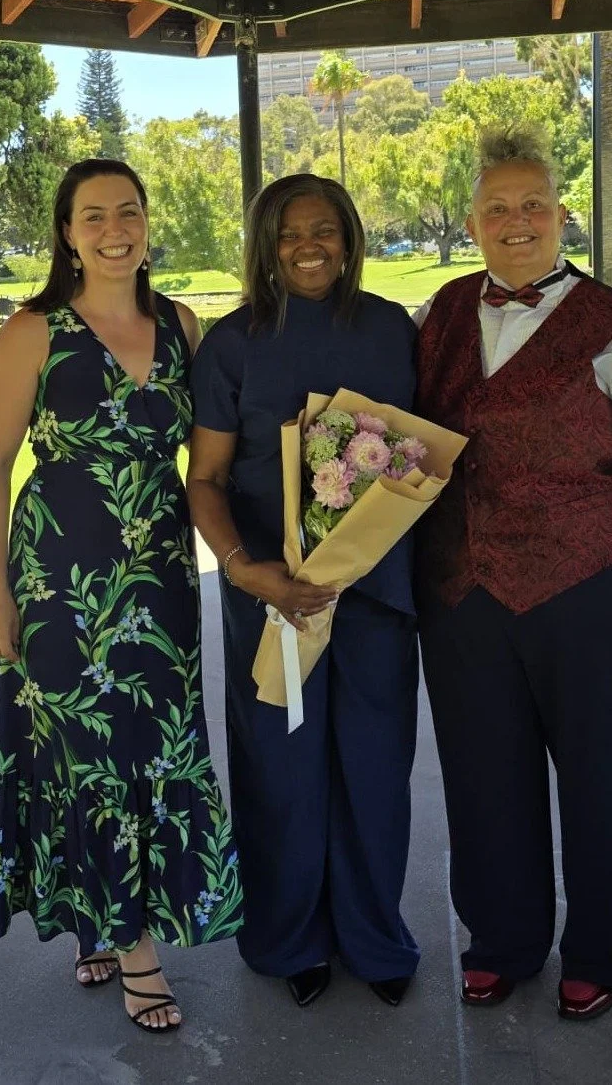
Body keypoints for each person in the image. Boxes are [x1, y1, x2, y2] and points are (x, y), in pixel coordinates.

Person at [413, 125, 612, 1021]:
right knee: (483, 778)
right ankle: (503, 941)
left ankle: (598, 951)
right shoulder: (436, 316)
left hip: (594, 592)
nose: (518, 222)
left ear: (562, 216)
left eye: (534, 206)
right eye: (498, 208)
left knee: (604, 778)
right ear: (471, 223)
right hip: (465, 595)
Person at [0, 159, 242, 1034]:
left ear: (147, 223)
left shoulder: (183, 327)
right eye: (94, 216)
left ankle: (102, 919)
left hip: (158, 578)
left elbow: (212, 454)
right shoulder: (32, 331)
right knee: (81, 754)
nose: (114, 227)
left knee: (153, 748)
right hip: (58, 582)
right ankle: (135, 951)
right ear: (67, 232)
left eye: (128, 211)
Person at [187, 174, 421, 1009]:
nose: (309, 245)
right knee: (280, 772)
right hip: (267, 597)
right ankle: (291, 939)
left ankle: (373, 935)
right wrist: (247, 570)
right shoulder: (232, 344)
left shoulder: (394, 330)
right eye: (291, 233)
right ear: (266, 244)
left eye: (325, 229)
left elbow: (419, 456)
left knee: (372, 768)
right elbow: (205, 479)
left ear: (351, 238)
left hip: (378, 596)